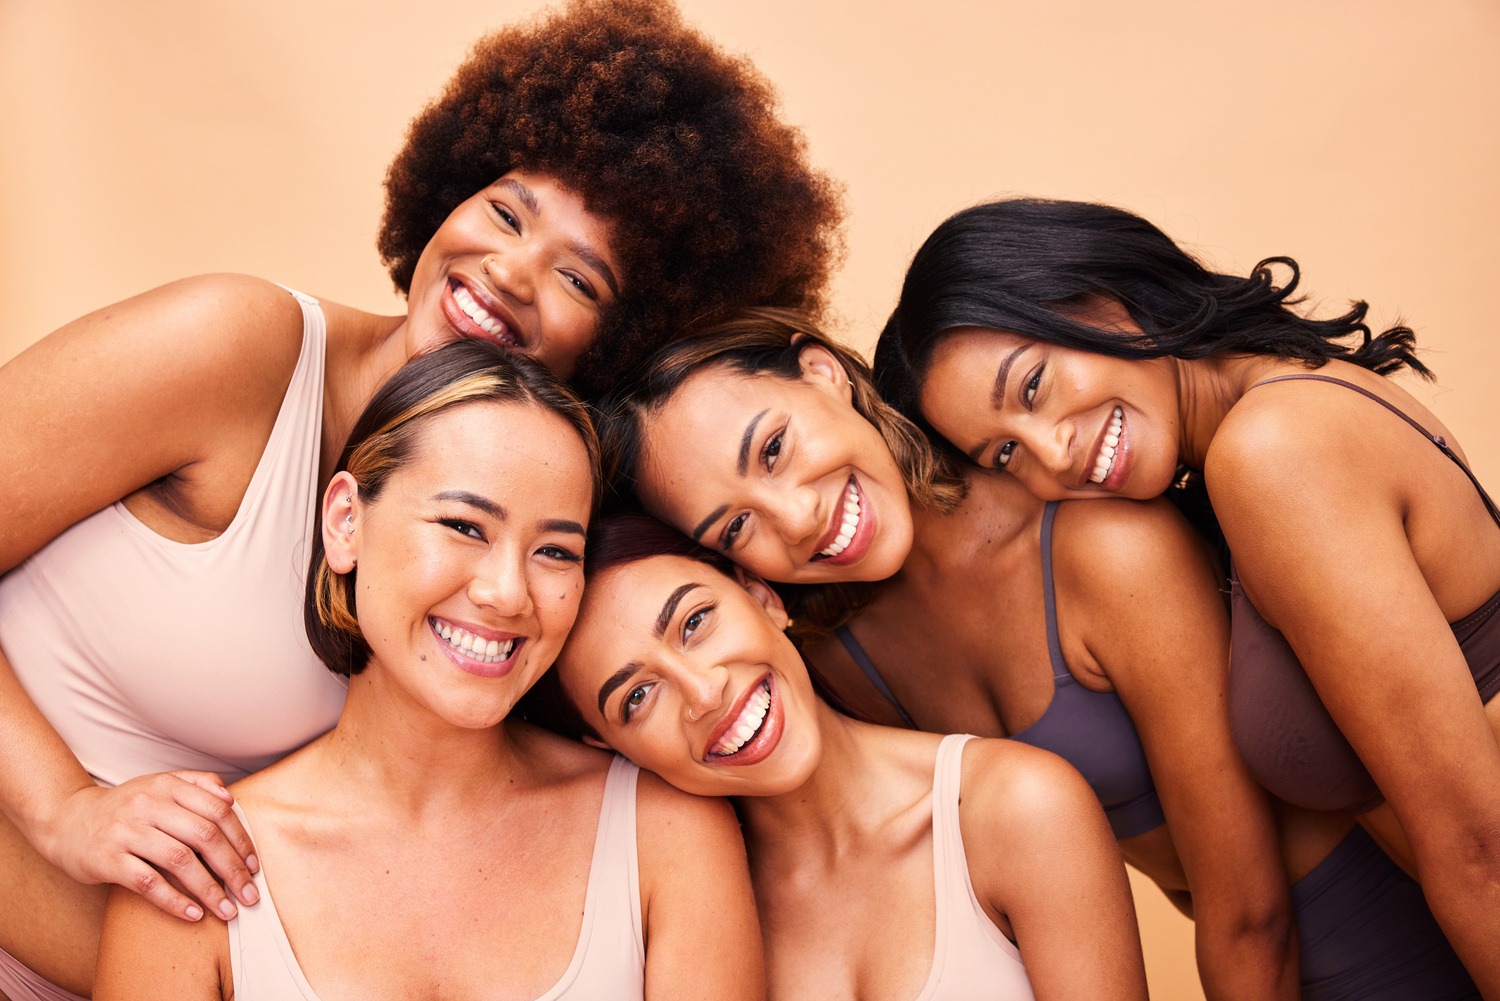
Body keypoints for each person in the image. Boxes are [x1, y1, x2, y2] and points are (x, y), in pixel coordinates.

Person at [0, 1, 840, 995]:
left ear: (614, 347)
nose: (511, 270)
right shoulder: (236, 351)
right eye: (505, 209)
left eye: (579, 276)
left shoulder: (527, 557)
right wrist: (62, 807)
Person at [593, 309, 1481, 999]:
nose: (797, 516)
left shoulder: (1103, 549)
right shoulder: (834, 658)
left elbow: (1250, 911)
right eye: (737, 523)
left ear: (823, 373)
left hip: (1379, 939)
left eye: (776, 448)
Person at [876, 196, 1500, 994]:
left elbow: (1480, 849)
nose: (1051, 453)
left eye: (1032, 386)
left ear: (1104, 294)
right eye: (1004, 453)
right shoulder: (1268, 418)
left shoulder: (1274, 449)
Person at [92, 339, 762, 1000]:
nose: (507, 592)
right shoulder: (193, 868)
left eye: (555, 551)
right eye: (465, 526)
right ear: (346, 521)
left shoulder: (664, 835)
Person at [530, 511, 1147, 1000]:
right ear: (608, 746)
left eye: (694, 623)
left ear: (763, 597)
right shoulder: (684, 923)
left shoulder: (1018, 808)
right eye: (637, 696)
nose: (704, 691)